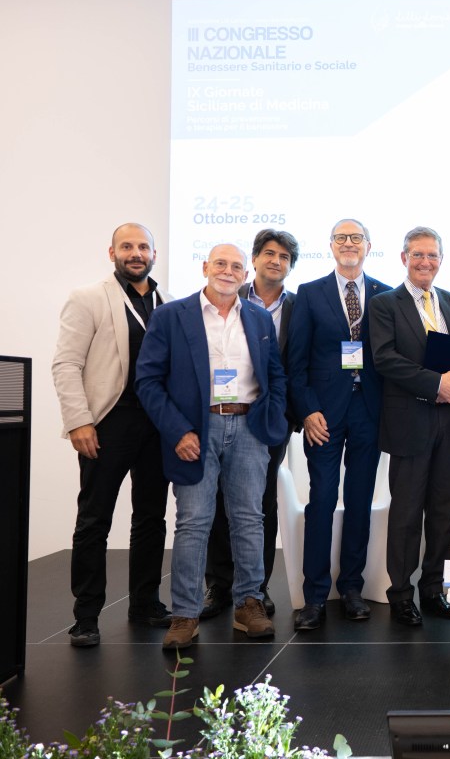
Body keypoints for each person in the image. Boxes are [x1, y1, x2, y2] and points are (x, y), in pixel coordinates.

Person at [136, 243, 288, 650]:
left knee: (249, 520)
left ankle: (248, 604)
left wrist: (268, 419)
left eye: (236, 266)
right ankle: (185, 614)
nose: (228, 271)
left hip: (249, 427)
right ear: (205, 267)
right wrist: (177, 432)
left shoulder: (257, 317)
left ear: (245, 274)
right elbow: (148, 381)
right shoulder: (171, 316)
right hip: (195, 430)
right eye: (221, 263)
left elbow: (275, 375)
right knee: (193, 522)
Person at [52, 223, 171, 647]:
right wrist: (78, 420)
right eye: (127, 246)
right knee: (94, 519)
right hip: (107, 423)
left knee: (151, 518)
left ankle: (145, 603)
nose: (135, 253)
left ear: (154, 254)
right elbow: (66, 364)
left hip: (157, 425)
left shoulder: (167, 302)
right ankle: (86, 617)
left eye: (143, 247)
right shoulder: (88, 298)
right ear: (112, 252)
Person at [368, 226, 450, 626]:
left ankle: (434, 588)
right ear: (404, 258)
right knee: (405, 513)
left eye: (432, 255)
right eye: (417, 255)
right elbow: (385, 358)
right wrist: (436, 383)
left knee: (442, 509)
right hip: (409, 420)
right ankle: (401, 594)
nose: (425, 262)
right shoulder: (385, 304)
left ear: (441, 260)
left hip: (449, 419)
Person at [287, 219, 391, 630]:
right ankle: (314, 597)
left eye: (356, 238)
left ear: (368, 246)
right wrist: (307, 410)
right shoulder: (309, 294)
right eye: (341, 238)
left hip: (369, 410)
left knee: (360, 500)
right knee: (322, 500)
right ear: (331, 246)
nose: (349, 243)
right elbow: (296, 362)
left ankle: (351, 587)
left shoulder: (385, 294)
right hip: (323, 415)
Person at [203, 229, 299, 621]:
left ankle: (255, 589)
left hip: (270, 418)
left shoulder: (299, 306)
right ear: (254, 261)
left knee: (261, 502)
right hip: (221, 413)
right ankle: (219, 585)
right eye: (269, 254)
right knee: (216, 500)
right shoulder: (228, 296)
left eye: (284, 257)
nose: (276, 261)